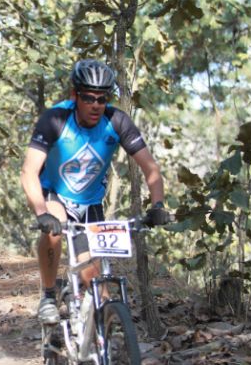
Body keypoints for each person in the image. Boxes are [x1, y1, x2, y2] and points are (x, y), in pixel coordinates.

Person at [20, 59, 170, 324]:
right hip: (55, 194)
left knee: (94, 279)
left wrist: (157, 206)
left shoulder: (117, 121)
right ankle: (48, 295)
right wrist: (41, 212)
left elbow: (151, 170)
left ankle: (104, 346)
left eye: (102, 99)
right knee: (54, 230)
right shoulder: (55, 119)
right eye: (88, 98)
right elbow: (29, 171)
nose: (96, 105)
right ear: (74, 95)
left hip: (90, 204)